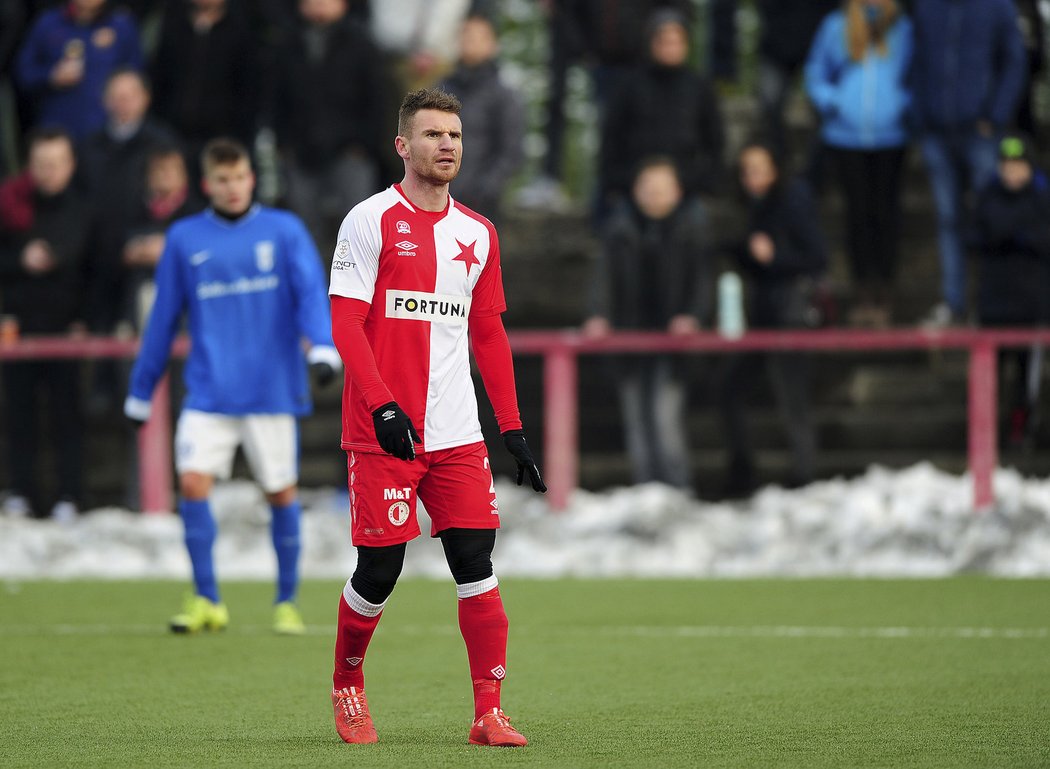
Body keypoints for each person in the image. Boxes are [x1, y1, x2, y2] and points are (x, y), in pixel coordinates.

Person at [327, 87, 546, 747]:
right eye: (431, 135)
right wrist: (383, 404)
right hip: (384, 431)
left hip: (455, 433)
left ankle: (489, 712)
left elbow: (488, 335)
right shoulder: (367, 220)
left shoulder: (477, 233)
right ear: (403, 146)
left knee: (475, 556)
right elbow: (345, 325)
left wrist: (511, 428)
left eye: (453, 135)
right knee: (379, 569)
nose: (445, 145)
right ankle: (349, 682)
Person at [123, 138, 342, 635]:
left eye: (240, 176)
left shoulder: (284, 231)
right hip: (210, 390)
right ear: (207, 185)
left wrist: (324, 347)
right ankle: (207, 599)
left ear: (251, 178)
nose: (233, 186)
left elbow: (310, 292)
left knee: (280, 493)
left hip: (271, 390)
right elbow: (162, 320)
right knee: (193, 484)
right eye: (222, 179)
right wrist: (142, 388)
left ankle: (286, 603)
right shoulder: (183, 238)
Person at [582, 157, 710, 490]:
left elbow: (702, 282)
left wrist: (692, 316)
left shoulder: (690, 230)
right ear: (636, 191)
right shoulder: (618, 230)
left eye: (662, 189)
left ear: (678, 192)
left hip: (674, 343)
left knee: (665, 418)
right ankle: (646, 490)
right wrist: (599, 315)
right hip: (628, 339)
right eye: (648, 188)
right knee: (636, 421)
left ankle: (677, 490)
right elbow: (603, 279)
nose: (654, 196)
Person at [716, 140, 827, 497]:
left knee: (792, 396)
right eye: (747, 171)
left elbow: (815, 257)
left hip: (789, 316)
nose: (753, 178)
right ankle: (743, 470)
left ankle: (806, 475)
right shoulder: (754, 208)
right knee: (730, 391)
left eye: (760, 169)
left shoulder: (794, 199)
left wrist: (773, 256)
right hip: (763, 317)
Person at [910, 0, 1027, 326]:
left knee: (992, 218)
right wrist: (921, 116)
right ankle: (953, 302)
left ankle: (989, 303)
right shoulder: (927, 8)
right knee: (948, 219)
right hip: (935, 132)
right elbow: (916, 62)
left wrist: (996, 114)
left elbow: (1014, 61)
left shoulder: (998, 7)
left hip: (981, 132)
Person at [0, 127, 92, 521]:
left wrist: (85, 319)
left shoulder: (86, 208)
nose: (47, 172)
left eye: (54, 164)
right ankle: (21, 492)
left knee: (67, 415)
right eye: (40, 164)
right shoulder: (11, 205)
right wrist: (23, 259)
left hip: (67, 329)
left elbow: (97, 271)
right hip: (17, 330)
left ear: (70, 165)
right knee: (18, 415)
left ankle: (70, 495)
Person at [805, 0, 913, 328]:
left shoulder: (903, 29)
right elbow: (815, 72)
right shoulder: (834, 26)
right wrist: (832, 101)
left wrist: (902, 106)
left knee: (886, 213)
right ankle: (863, 289)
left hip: (892, 137)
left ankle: (885, 288)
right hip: (845, 137)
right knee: (857, 215)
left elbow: (916, 74)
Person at [271, 0, 387, 254]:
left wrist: (364, 146)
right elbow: (274, 99)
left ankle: (359, 293)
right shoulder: (287, 45)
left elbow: (378, 102)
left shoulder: (362, 45)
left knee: (359, 234)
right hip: (299, 154)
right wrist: (283, 145)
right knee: (304, 237)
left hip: (351, 154)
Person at [599, 9, 724, 215]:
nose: (671, 48)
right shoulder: (629, 86)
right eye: (665, 41)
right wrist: (628, 182)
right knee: (619, 226)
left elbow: (715, 141)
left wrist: (693, 183)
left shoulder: (699, 87)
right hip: (633, 188)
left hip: (686, 189)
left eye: (677, 41)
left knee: (696, 224)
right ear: (652, 43)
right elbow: (611, 140)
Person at [973, 133, 1050, 448]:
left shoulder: (1042, 199)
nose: (1012, 172)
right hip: (993, 305)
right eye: (1006, 165)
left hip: (1032, 306)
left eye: (1018, 166)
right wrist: (1016, 233)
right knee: (988, 375)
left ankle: (1022, 429)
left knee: (1025, 377)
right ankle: (985, 433)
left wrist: (1011, 234)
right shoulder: (987, 197)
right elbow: (976, 236)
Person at [150, 0, 259, 175]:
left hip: (222, 135)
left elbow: (249, 90)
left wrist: (238, 134)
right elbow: (159, 77)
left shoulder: (240, 29)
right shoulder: (173, 24)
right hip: (174, 133)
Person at [13, 0, 144, 141]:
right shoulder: (48, 23)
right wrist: (51, 75)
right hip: (57, 131)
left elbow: (135, 78)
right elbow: (22, 73)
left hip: (106, 136)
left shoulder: (121, 25)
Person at [438, 13, 525, 223]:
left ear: (493, 45)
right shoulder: (439, 89)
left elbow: (512, 152)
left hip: (482, 206)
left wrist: (485, 189)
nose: (471, 43)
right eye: (466, 35)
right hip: (437, 199)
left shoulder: (504, 95)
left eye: (479, 37)